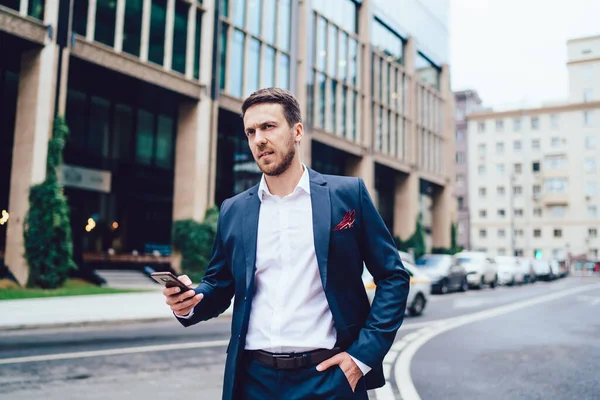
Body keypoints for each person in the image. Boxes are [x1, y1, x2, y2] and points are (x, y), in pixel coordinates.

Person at [163, 88, 410, 400]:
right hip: (254, 381)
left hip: (328, 378)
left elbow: (393, 276)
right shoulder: (234, 210)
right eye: (250, 132)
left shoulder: (347, 195)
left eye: (268, 127)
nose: (258, 140)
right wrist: (191, 301)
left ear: (297, 131)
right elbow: (219, 285)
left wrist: (360, 358)